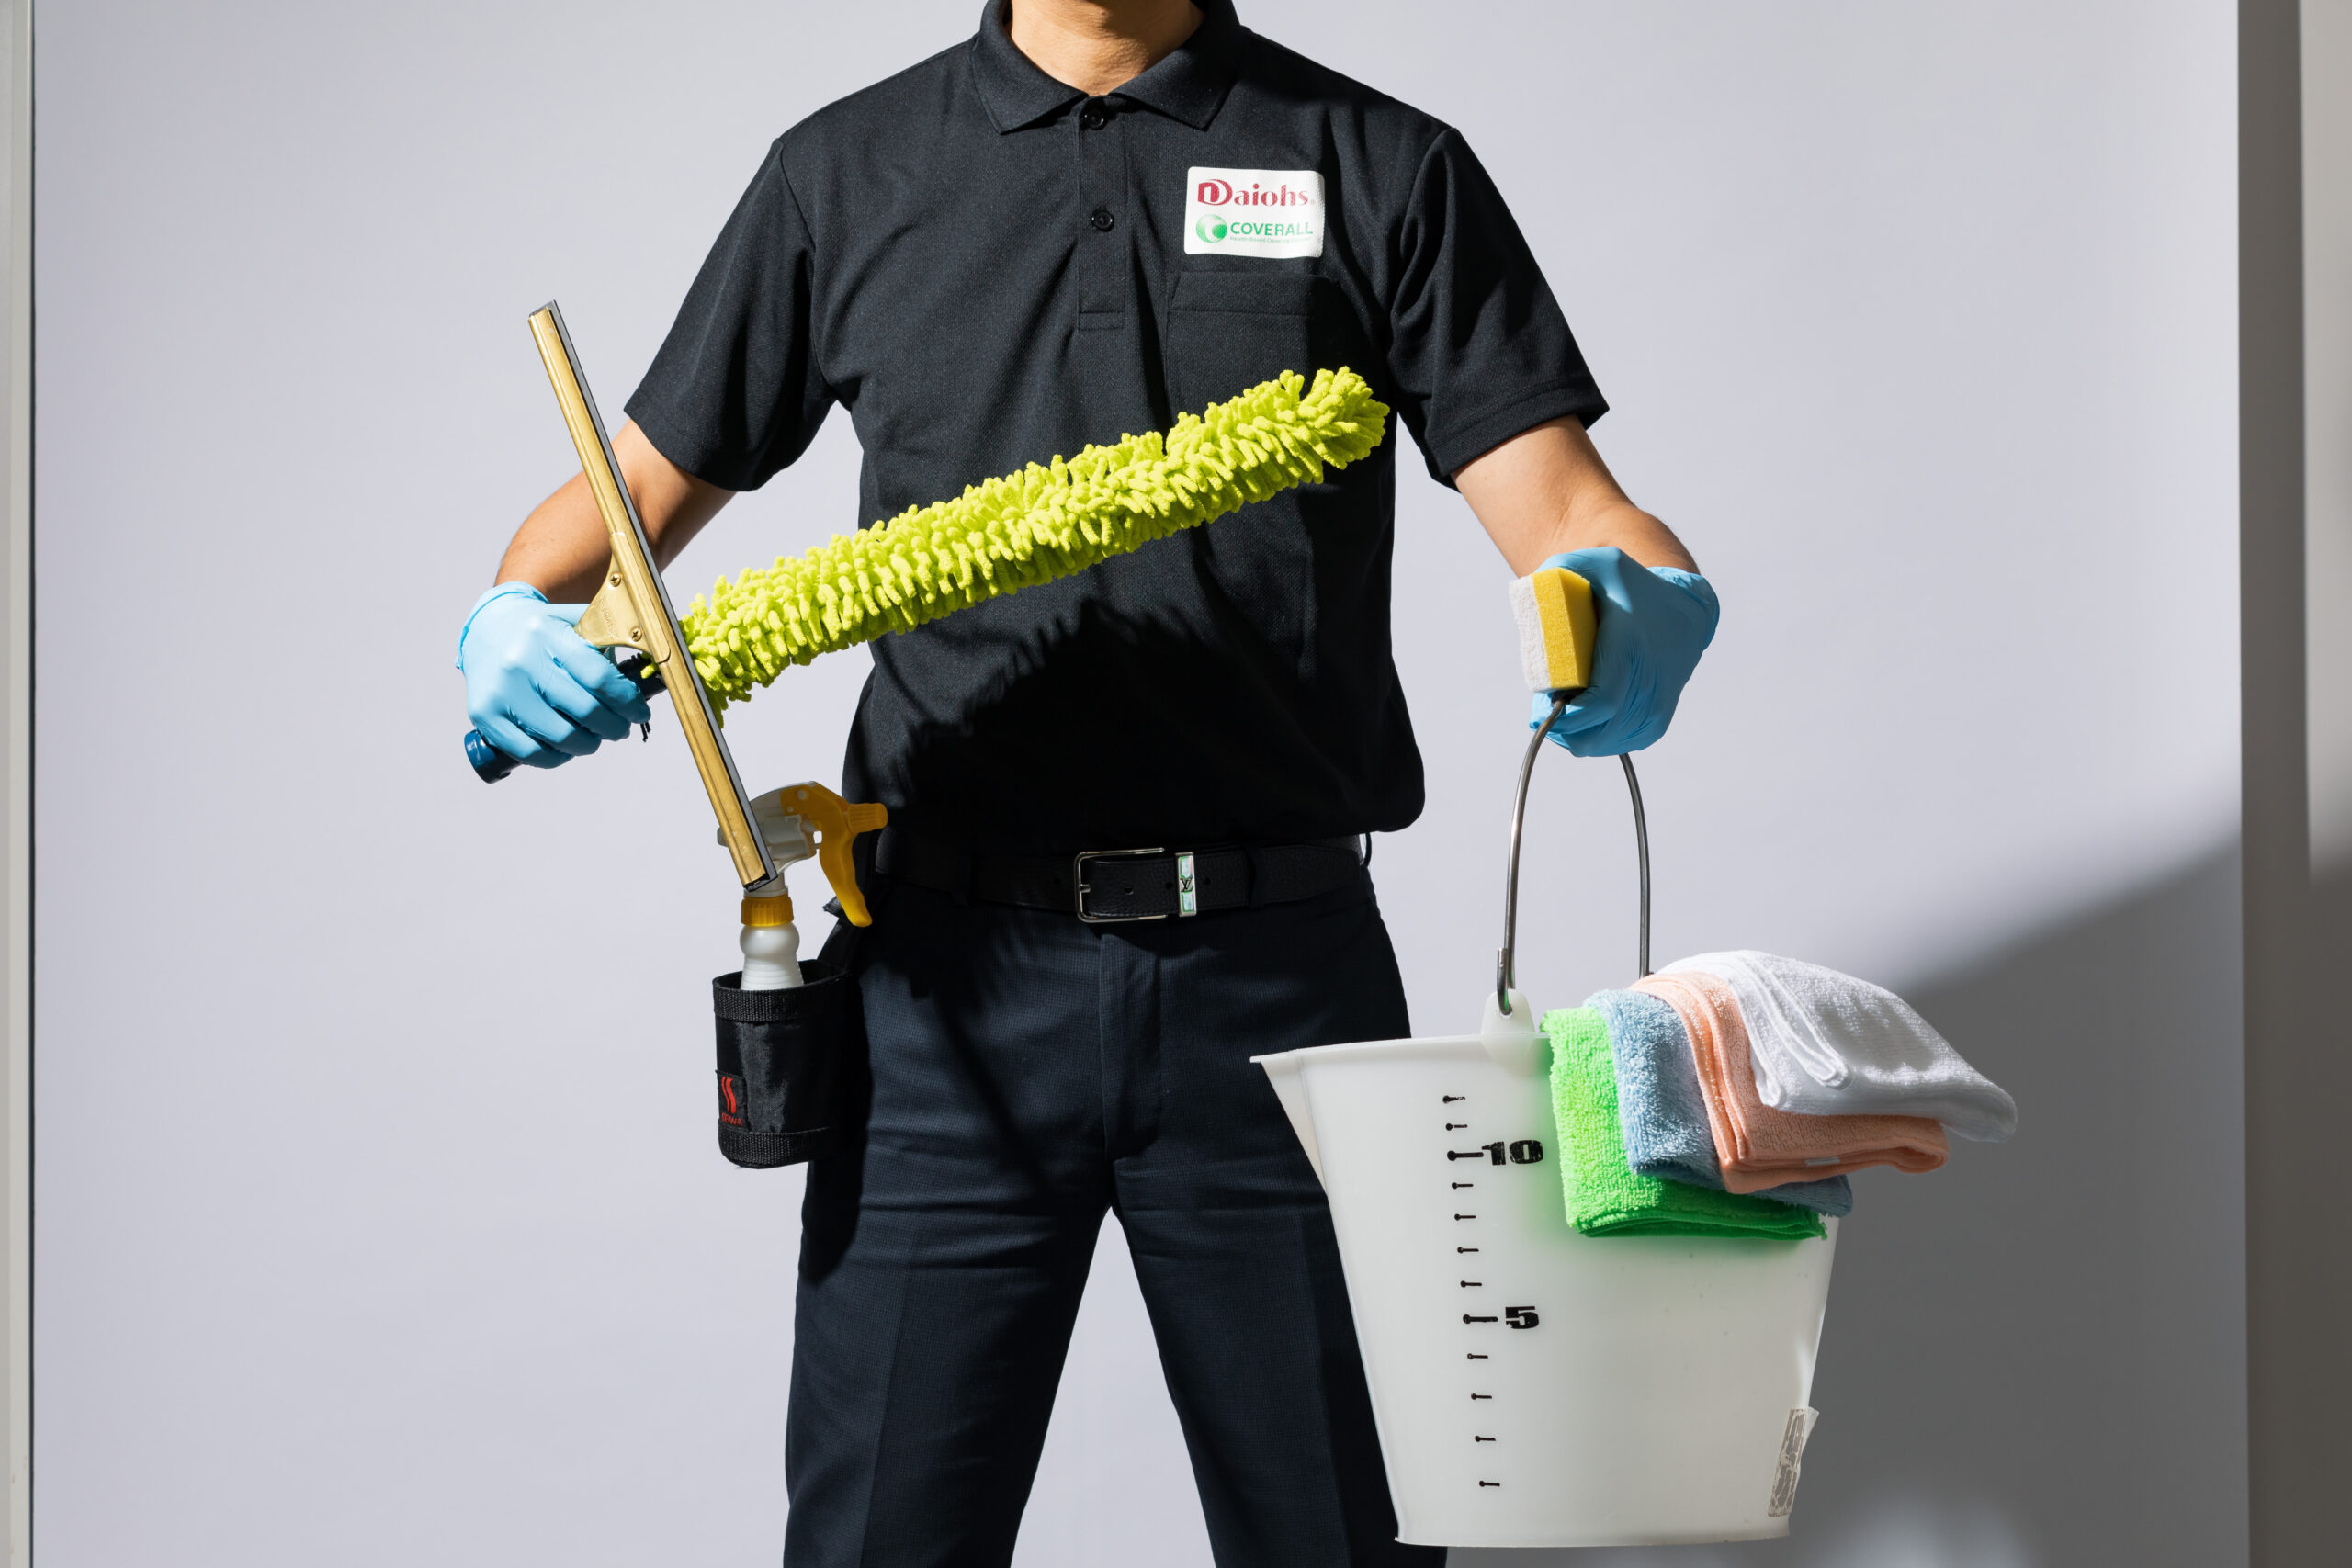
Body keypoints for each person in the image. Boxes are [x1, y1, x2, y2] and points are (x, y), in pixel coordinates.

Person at [457, 2, 1717, 1562]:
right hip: (939, 1000)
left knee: (1345, 1536)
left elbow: (1574, 508)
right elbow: (623, 498)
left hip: (1282, 992)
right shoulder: (842, 173)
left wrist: (1646, 593)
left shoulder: (1382, 164)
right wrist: (512, 616)